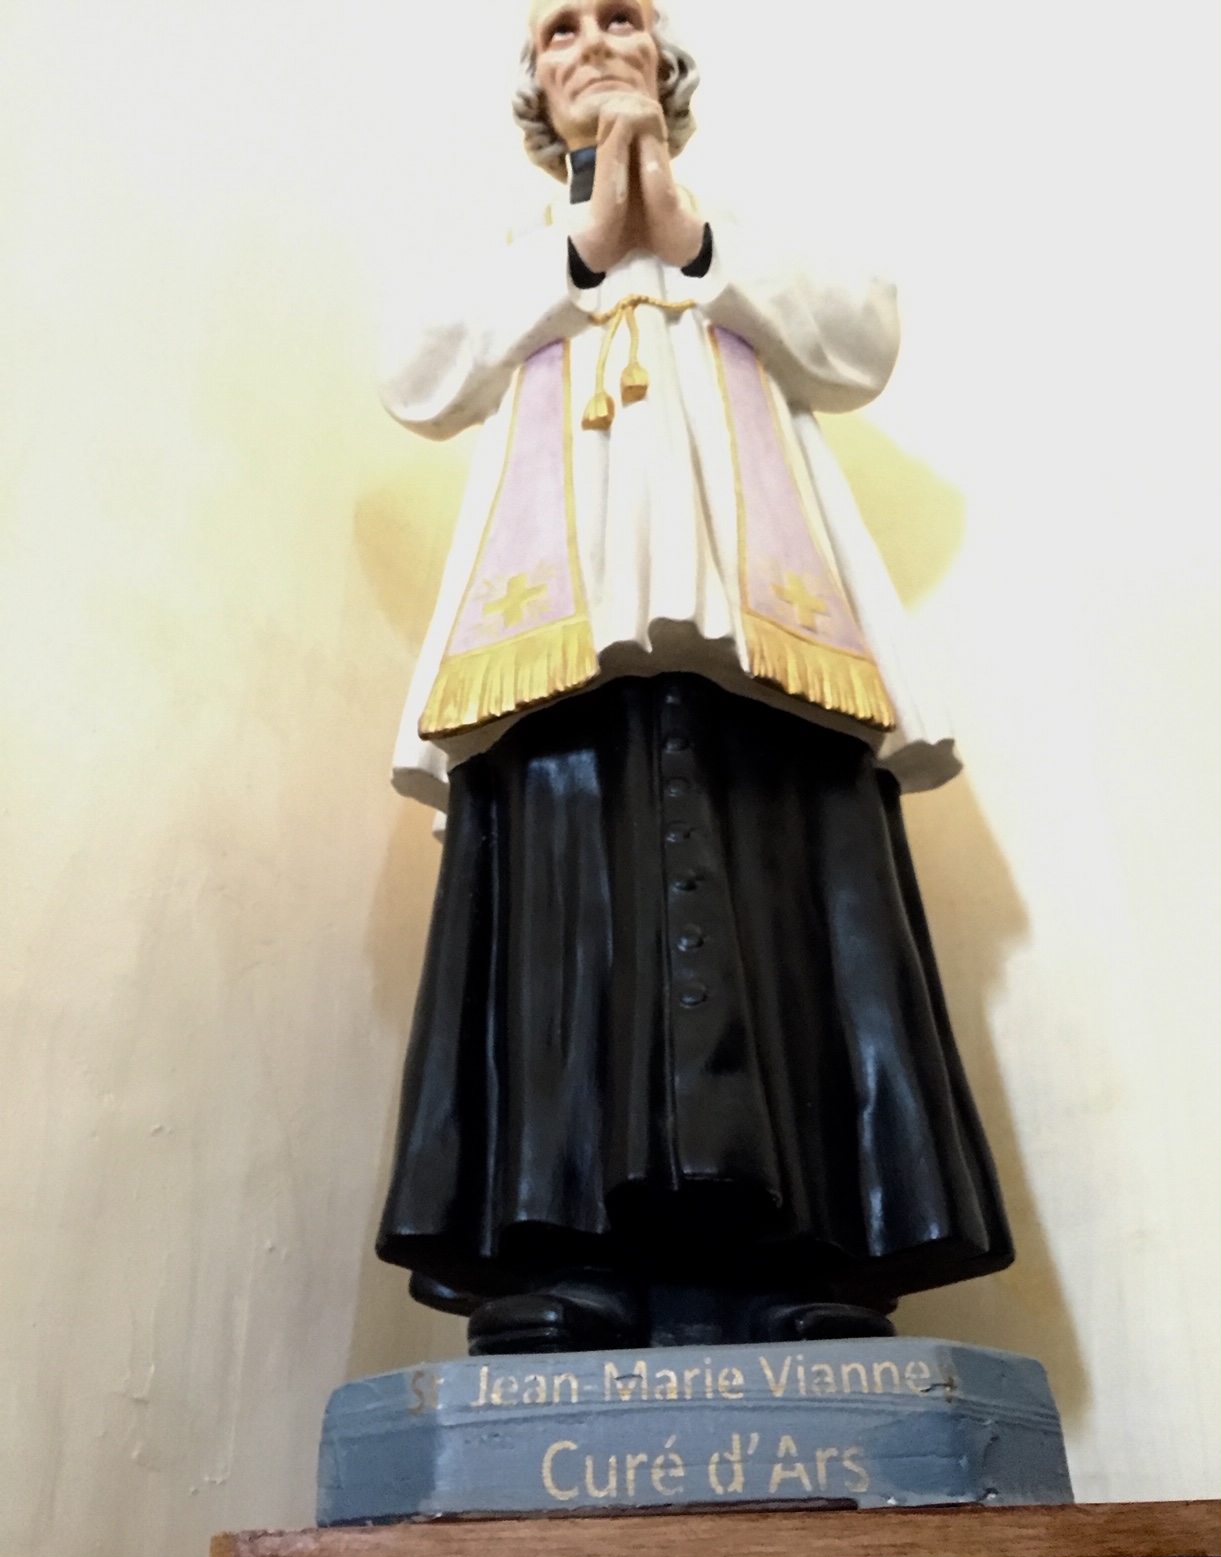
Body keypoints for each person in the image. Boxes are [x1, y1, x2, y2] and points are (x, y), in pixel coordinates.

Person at [374, 0, 1013, 1355]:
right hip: (557, 661)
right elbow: (414, 380)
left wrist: (686, 240)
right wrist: (585, 249)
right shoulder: (513, 266)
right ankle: (566, 1252)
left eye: (623, 18)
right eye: (561, 29)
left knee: (788, 894)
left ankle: (807, 1248)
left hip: (763, 650)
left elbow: (862, 344)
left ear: (664, 64)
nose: (595, 40)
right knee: (565, 927)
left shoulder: (743, 241)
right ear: (537, 85)